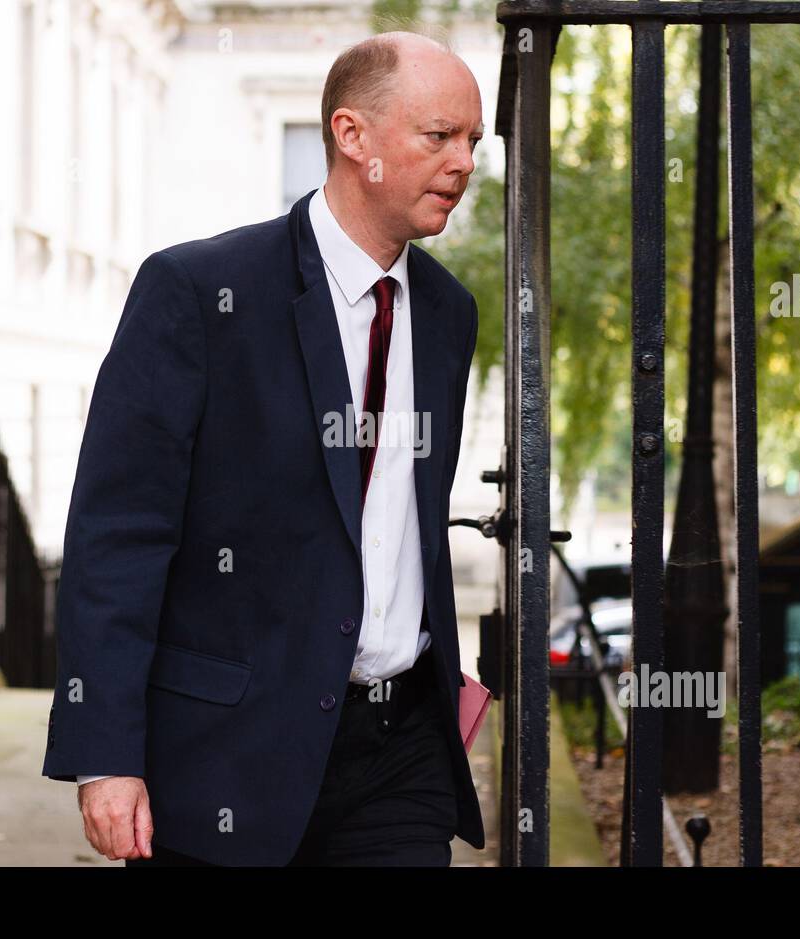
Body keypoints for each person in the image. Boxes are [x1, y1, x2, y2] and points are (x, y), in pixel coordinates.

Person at [41, 29, 485, 867]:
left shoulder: (447, 312)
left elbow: (403, 522)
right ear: (352, 136)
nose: (464, 162)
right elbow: (117, 536)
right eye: (439, 136)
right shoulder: (197, 292)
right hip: (226, 760)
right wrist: (106, 755)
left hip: (400, 759)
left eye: (473, 140)